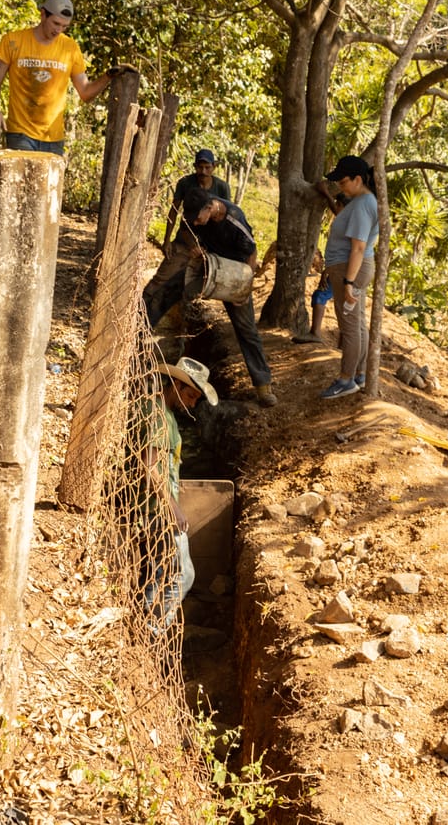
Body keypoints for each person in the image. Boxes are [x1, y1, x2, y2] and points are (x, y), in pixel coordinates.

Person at [170, 186, 278, 407]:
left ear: (210, 208)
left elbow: (252, 253)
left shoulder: (234, 219)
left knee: (246, 330)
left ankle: (263, 386)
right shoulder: (197, 211)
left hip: (235, 275)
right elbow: (185, 230)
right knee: (180, 296)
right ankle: (178, 370)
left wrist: (244, 288)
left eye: (198, 218)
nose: (196, 222)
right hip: (210, 267)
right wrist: (195, 247)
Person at [140, 356, 218, 631]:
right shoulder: (158, 415)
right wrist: (173, 506)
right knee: (183, 575)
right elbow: (149, 466)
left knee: (158, 572)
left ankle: (144, 623)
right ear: (175, 385)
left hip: (155, 505)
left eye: (196, 398)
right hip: (157, 508)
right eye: (190, 395)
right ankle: (154, 632)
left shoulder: (165, 414)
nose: (193, 404)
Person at [0, 0, 118, 155]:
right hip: (20, 134)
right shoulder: (13, 41)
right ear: (43, 14)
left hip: (54, 139)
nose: (58, 30)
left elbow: (85, 92)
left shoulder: (70, 48)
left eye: (64, 26)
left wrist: (108, 76)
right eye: (56, 23)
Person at [143, 148, 231, 325]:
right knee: (160, 280)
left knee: (190, 288)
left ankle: (184, 326)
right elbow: (174, 211)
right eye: (200, 167)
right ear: (195, 166)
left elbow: (225, 217)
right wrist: (167, 241)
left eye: (207, 167)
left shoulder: (221, 187)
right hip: (184, 242)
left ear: (214, 167)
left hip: (208, 246)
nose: (203, 171)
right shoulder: (185, 183)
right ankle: (140, 318)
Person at [320, 156, 379, 398]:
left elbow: (358, 247)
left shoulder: (363, 204)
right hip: (350, 267)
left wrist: (348, 282)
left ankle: (346, 379)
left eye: (343, 181)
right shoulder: (362, 201)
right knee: (357, 321)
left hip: (350, 269)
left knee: (350, 325)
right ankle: (359, 374)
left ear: (358, 179)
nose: (340, 186)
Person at [292, 189, 350, 344]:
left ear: (343, 206)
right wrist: (327, 194)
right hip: (347, 268)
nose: (335, 208)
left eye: (338, 205)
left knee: (323, 295)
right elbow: (335, 209)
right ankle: (343, 343)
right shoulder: (349, 221)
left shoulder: (345, 225)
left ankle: (316, 333)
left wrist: (327, 271)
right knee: (343, 304)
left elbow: (342, 252)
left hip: (342, 268)